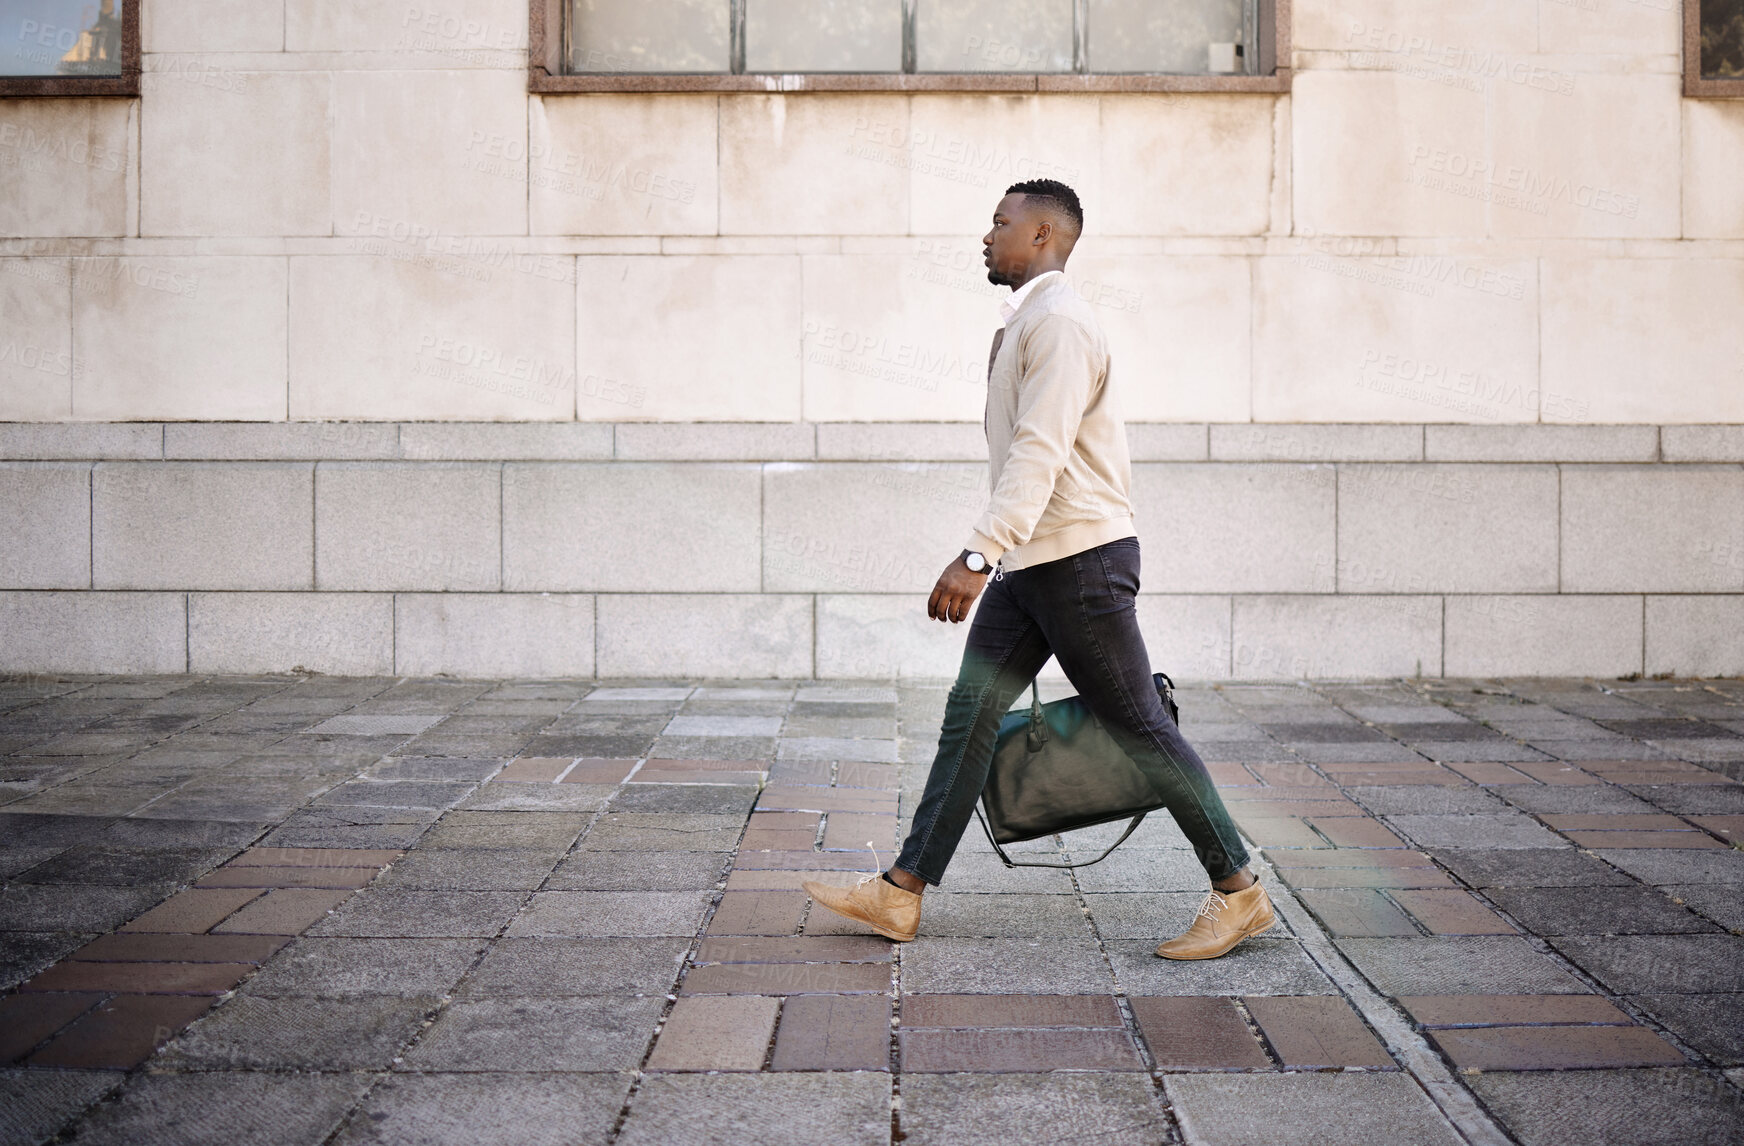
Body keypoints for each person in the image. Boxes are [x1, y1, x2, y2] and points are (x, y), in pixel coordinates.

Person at [803, 179, 1274, 961]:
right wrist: (1004, 554)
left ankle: (1240, 894)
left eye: (1001, 223)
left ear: (1045, 234)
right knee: (971, 716)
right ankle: (900, 891)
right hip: (1036, 562)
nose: (986, 236)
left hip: (1078, 563)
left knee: (1139, 727)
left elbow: (1041, 451)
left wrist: (979, 553)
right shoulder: (1032, 320)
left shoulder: (1058, 324)